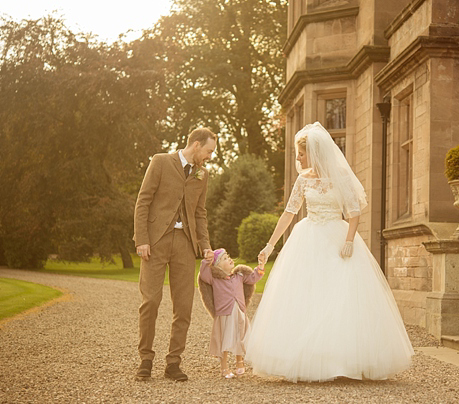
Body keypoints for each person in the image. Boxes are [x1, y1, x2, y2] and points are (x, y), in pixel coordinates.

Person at [246, 122, 414, 382]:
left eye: (302, 153)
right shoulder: (303, 181)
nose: (298, 157)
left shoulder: (341, 177)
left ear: (314, 151)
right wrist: (270, 245)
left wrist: (348, 241)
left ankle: (343, 360)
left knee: (342, 296)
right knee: (307, 295)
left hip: (338, 236)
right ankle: (307, 358)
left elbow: (354, 213)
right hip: (309, 237)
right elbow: (288, 214)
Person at [133, 128, 216, 382]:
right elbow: (143, 201)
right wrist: (142, 239)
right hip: (155, 242)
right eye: (209, 151)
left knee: (184, 306)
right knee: (151, 301)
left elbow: (200, 212)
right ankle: (145, 360)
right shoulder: (160, 161)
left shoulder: (203, 174)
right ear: (195, 144)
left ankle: (173, 363)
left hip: (185, 244)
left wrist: (206, 246)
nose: (210, 156)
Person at [197, 248, 265, 378]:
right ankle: (224, 368)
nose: (229, 259)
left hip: (239, 312)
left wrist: (261, 265)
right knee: (225, 340)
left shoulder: (239, 276)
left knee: (240, 337)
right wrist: (207, 260)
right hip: (224, 314)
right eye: (224, 259)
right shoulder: (214, 278)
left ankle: (240, 362)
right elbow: (204, 274)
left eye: (228, 257)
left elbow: (253, 278)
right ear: (217, 266)